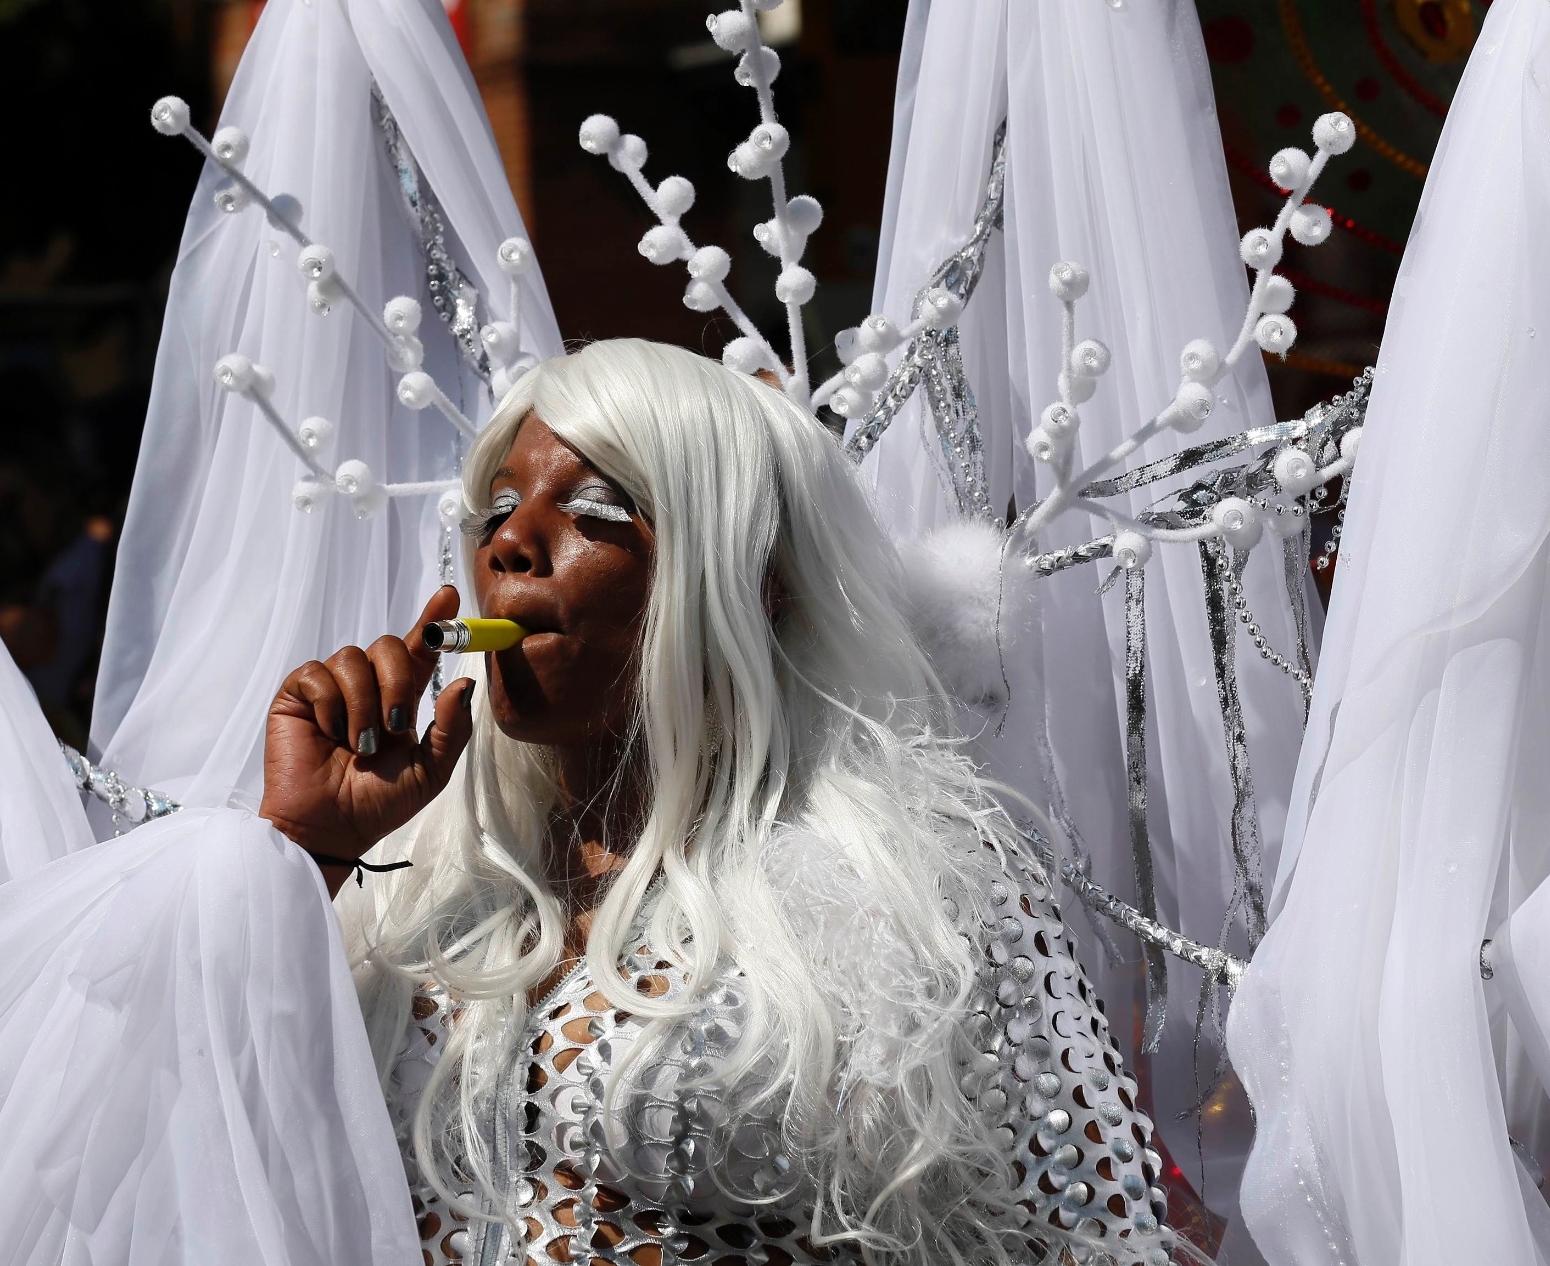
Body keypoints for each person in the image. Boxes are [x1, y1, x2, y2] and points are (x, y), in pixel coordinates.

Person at [257, 338, 1174, 1266]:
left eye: (595, 508)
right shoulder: (407, 880)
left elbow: (1096, 1235)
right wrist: (304, 851)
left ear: (753, 581)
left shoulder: (919, 894)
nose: (509, 542)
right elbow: (209, 1138)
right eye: (496, 508)